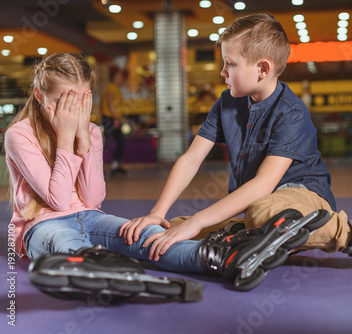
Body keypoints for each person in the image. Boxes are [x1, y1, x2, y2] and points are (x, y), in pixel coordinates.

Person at [122, 13, 352, 276]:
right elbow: (190, 159)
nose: (222, 73)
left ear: (262, 68)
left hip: (300, 196)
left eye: (230, 64)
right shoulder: (226, 102)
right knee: (168, 229)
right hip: (260, 203)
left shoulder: (291, 112)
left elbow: (263, 184)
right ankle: (249, 235)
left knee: (260, 213)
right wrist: (159, 212)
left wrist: (200, 222)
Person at [4, 52, 326, 294]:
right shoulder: (20, 134)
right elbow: (58, 201)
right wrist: (65, 138)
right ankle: (98, 268)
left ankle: (224, 258)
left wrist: (85, 140)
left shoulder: (90, 133)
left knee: (147, 238)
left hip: (90, 215)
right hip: (41, 224)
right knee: (62, 240)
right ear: (39, 95)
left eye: (80, 101)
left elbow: (92, 199)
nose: (72, 111)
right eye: (63, 101)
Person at [101, 65, 127, 175]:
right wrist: (115, 118)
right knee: (105, 142)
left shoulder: (116, 88)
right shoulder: (111, 88)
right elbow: (110, 103)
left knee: (121, 141)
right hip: (109, 119)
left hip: (114, 118)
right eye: (119, 76)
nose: (121, 78)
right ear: (114, 77)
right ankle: (96, 166)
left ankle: (116, 165)